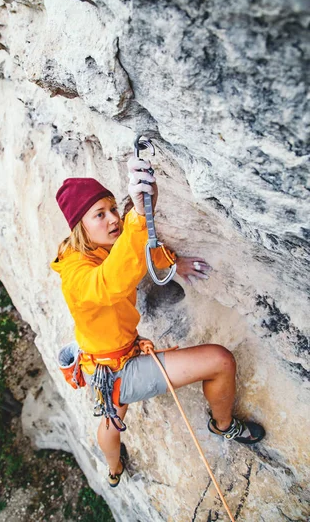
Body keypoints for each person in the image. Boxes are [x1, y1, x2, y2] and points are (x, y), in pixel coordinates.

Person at [51, 156, 265, 488]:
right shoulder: (77, 277)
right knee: (221, 361)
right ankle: (223, 426)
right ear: (81, 225)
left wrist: (172, 264)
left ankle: (114, 470)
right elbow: (111, 282)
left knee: (111, 420)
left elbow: (134, 252)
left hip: (102, 362)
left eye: (112, 209)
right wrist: (138, 217)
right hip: (119, 368)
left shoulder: (90, 248)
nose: (113, 220)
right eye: (100, 214)